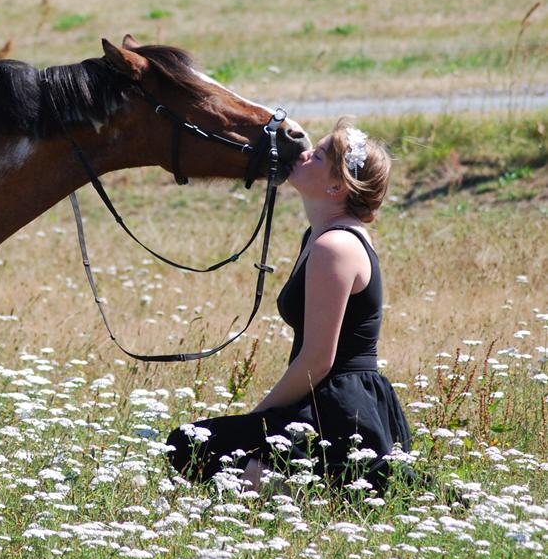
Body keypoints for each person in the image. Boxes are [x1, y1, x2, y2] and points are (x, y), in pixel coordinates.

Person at [165, 119, 412, 494]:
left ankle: (319, 498)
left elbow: (318, 359)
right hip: (322, 398)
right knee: (195, 447)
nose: (306, 152)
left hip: (341, 411)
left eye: (321, 153)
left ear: (336, 186)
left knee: (197, 448)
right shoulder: (319, 236)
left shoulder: (336, 247)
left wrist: (260, 416)